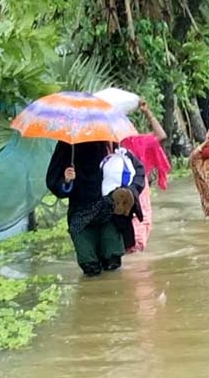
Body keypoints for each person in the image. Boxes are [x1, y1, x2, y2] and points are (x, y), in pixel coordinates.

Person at [46, 141, 145, 276]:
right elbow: (53, 180)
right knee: (89, 266)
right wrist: (67, 181)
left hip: (109, 212)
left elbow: (137, 171)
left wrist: (129, 191)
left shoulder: (109, 140)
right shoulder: (68, 144)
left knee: (112, 262)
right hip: (81, 214)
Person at [119, 100, 170, 253]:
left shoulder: (135, 142)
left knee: (136, 218)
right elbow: (161, 135)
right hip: (131, 187)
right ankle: (135, 253)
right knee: (140, 218)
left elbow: (161, 135)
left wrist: (147, 112)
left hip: (130, 187)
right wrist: (147, 113)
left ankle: (132, 252)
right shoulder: (113, 144)